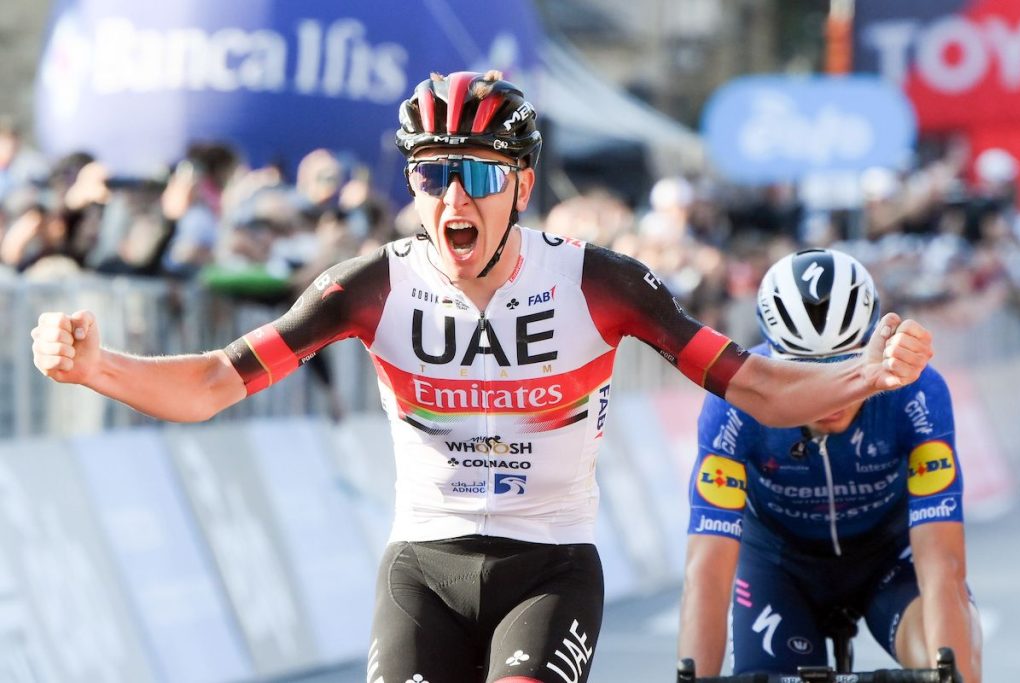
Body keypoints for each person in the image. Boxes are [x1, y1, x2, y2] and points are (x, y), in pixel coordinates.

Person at [32, 72, 933, 683]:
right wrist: (98, 367)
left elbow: (762, 389)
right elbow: (215, 383)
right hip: (422, 565)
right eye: (431, 173)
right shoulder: (371, 284)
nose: (452, 199)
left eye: (476, 174)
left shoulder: (599, 283)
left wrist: (865, 375)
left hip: (549, 570)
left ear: (523, 185)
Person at [677, 248, 981, 683]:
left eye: (845, 368)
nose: (829, 395)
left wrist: (951, 671)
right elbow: (707, 570)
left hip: (888, 558)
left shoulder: (916, 392)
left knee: (948, 655)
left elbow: (943, 565)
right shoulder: (736, 405)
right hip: (779, 565)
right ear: (773, 363)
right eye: (802, 373)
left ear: (872, 353)